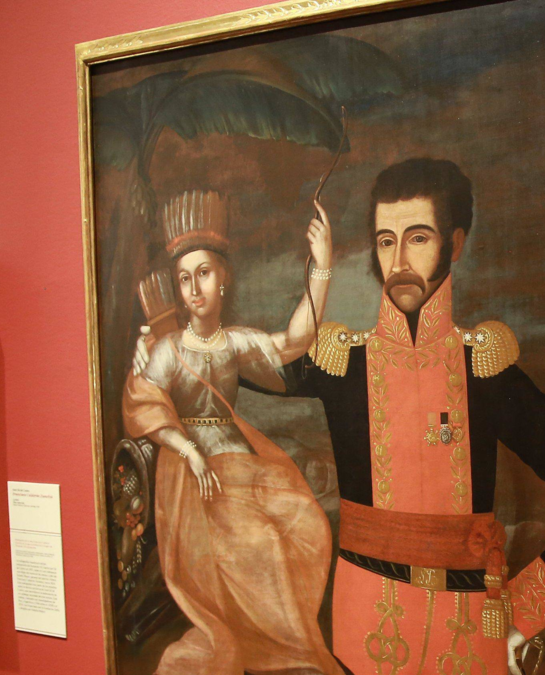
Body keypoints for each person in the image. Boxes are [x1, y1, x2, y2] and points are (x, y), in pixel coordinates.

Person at [135, 159, 545, 675]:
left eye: (417, 238)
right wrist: (164, 336)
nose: (398, 261)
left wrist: (520, 618)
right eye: (385, 241)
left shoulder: (486, 371)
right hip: (363, 644)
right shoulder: (340, 364)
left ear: (454, 244)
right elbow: (222, 363)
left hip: (468, 647)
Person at [123, 190, 342, 675]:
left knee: (306, 522)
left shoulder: (234, 343)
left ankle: (291, 645)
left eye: (203, 273)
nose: (194, 288)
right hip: (197, 479)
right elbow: (143, 403)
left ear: (223, 278)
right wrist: (188, 449)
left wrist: (322, 266)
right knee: (262, 541)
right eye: (185, 278)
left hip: (245, 467)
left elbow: (297, 340)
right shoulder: (167, 350)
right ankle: (292, 655)